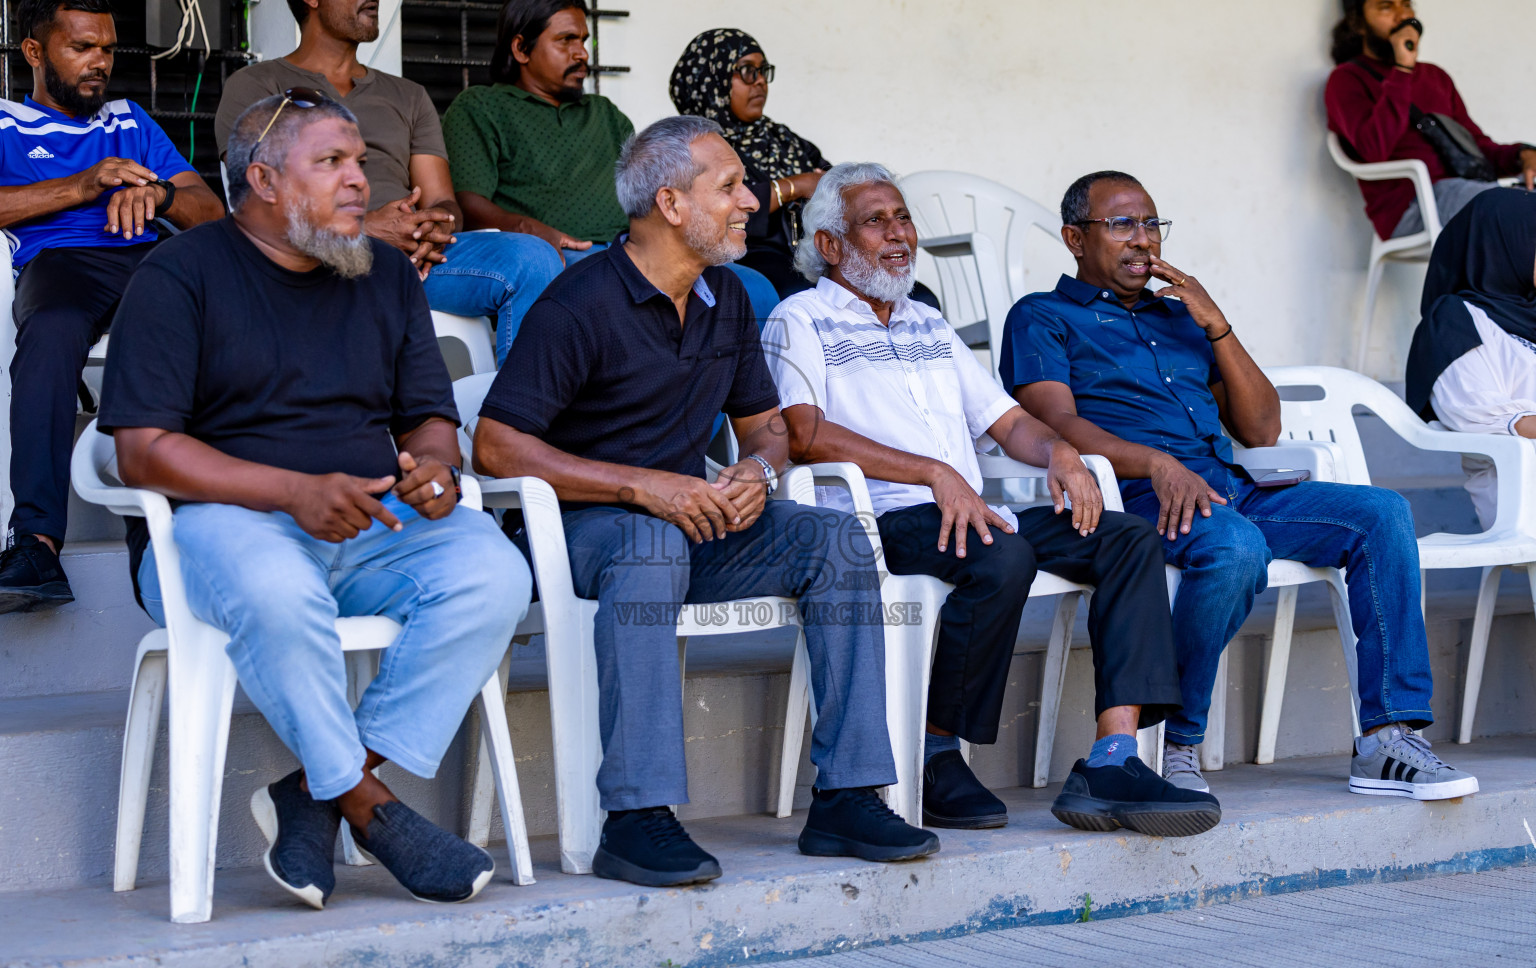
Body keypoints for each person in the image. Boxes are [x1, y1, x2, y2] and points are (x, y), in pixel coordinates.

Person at [472, 116, 939, 887]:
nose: (751, 201)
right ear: (670, 203)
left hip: (695, 518)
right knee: (649, 545)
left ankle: (849, 795)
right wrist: (638, 484)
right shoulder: (580, 301)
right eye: (728, 187)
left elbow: (766, 430)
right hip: (583, 529)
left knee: (841, 541)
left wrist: (755, 471)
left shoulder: (726, 295)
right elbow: (495, 446)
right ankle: (637, 817)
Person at [97, 92, 530, 908]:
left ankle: (316, 792)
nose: (359, 181)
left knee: (494, 573)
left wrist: (436, 465)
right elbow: (141, 451)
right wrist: (291, 492)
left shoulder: (383, 273)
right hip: (219, 533)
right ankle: (369, 807)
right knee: (277, 585)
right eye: (329, 163)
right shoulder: (180, 275)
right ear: (262, 179)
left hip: (367, 525)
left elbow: (429, 416)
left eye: (358, 161)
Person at [761, 163, 1216, 837]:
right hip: (875, 518)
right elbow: (804, 434)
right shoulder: (798, 319)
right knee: (999, 555)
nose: (899, 235)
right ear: (830, 244)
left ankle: (1114, 755)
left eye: (904, 218)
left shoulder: (927, 325)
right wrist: (932, 473)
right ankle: (938, 750)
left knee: (1125, 538)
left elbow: (1006, 424)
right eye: (877, 220)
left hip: (968, 514)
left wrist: (1061, 452)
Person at [1002, 170, 1479, 803]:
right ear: (1074, 238)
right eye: (1122, 224)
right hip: (1135, 497)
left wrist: (1218, 326)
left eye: (1151, 224)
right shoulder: (1041, 316)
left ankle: (1388, 740)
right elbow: (1057, 423)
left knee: (1382, 513)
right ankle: (1181, 742)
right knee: (1234, 549)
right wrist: (1155, 463)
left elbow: (1261, 428)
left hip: (1227, 487)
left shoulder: (1181, 320)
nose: (1142, 240)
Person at [213, 0, 564, 366]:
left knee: (533, 258)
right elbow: (258, 201)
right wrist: (364, 230)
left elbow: (443, 201)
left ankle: (513, 421)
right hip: (313, 258)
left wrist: (428, 228)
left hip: (412, 262)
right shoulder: (258, 86)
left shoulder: (408, 95)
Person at [0, 0, 223, 615]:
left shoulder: (131, 119)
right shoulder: (5, 124)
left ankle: (169, 528)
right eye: (82, 47)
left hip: (151, 260)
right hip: (61, 264)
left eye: (108, 48)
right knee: (52, 331)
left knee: (190, 330)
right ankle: (36, 542)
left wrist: (161, 196)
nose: (100, 60)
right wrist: (84, 184)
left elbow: (212, 212)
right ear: (35, 53)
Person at [441, 0, 782, 321]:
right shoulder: (481, 107)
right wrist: (524, 227)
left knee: (757, 289)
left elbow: (652, 196)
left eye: (584, 41)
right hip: (560, 258)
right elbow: (468, 202)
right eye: (566, 40)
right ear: (520, 48)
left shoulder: (604, 113)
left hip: (637, 253)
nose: (582, 54)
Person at [1324, 0, 1536, 241]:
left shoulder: (1435, 77)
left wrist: (1523, 154)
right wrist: (1402, 72)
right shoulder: (1347, 79)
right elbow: (1373, 149)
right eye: (1386, 7)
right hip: (1411, 207)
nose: (1402, 16)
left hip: (1467, 192)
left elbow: (1476, 146)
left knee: (1518, 207)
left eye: (1406, 4)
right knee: (1513, 209)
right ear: (1358, 23)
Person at [1406, 188, 1536, 529]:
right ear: (1506, 242)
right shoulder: (1455, 320)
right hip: (1519, 492)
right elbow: (1478, 415)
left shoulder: (1531, 314)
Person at [669, 29, 827, 299]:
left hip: (811, 252)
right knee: (803, 295)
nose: (761, 82)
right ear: (711, 78)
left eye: (763, 70)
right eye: (747, 71)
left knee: (916, 297)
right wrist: (795, 186)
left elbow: (830, 182)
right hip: (747, 256)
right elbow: (713, 211)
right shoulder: (691, 147)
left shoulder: (782, 139)